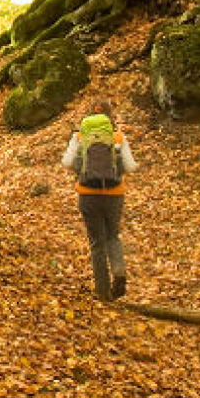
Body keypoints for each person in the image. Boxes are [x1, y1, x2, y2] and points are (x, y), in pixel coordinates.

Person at [61, 105, 137, 301]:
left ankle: (102, 292)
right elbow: (131, 166)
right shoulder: (118, 138)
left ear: (88, 118)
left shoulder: (79, 137)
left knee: (97, 243)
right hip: (115, 195)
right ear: (109, 118)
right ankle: (119, 271)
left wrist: (82, 168)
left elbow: (67, 162)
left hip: (88, 196)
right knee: (113, 236)